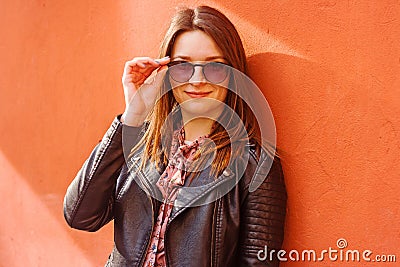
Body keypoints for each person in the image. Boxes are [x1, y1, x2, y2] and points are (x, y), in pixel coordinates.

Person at [64, 5, 287, 267]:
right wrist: (132, 117)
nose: (197, 79)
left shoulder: (256, 167)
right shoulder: (139, 144)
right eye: (182, 66)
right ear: (166, 73)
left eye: (215, 66)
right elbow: (80, 215)